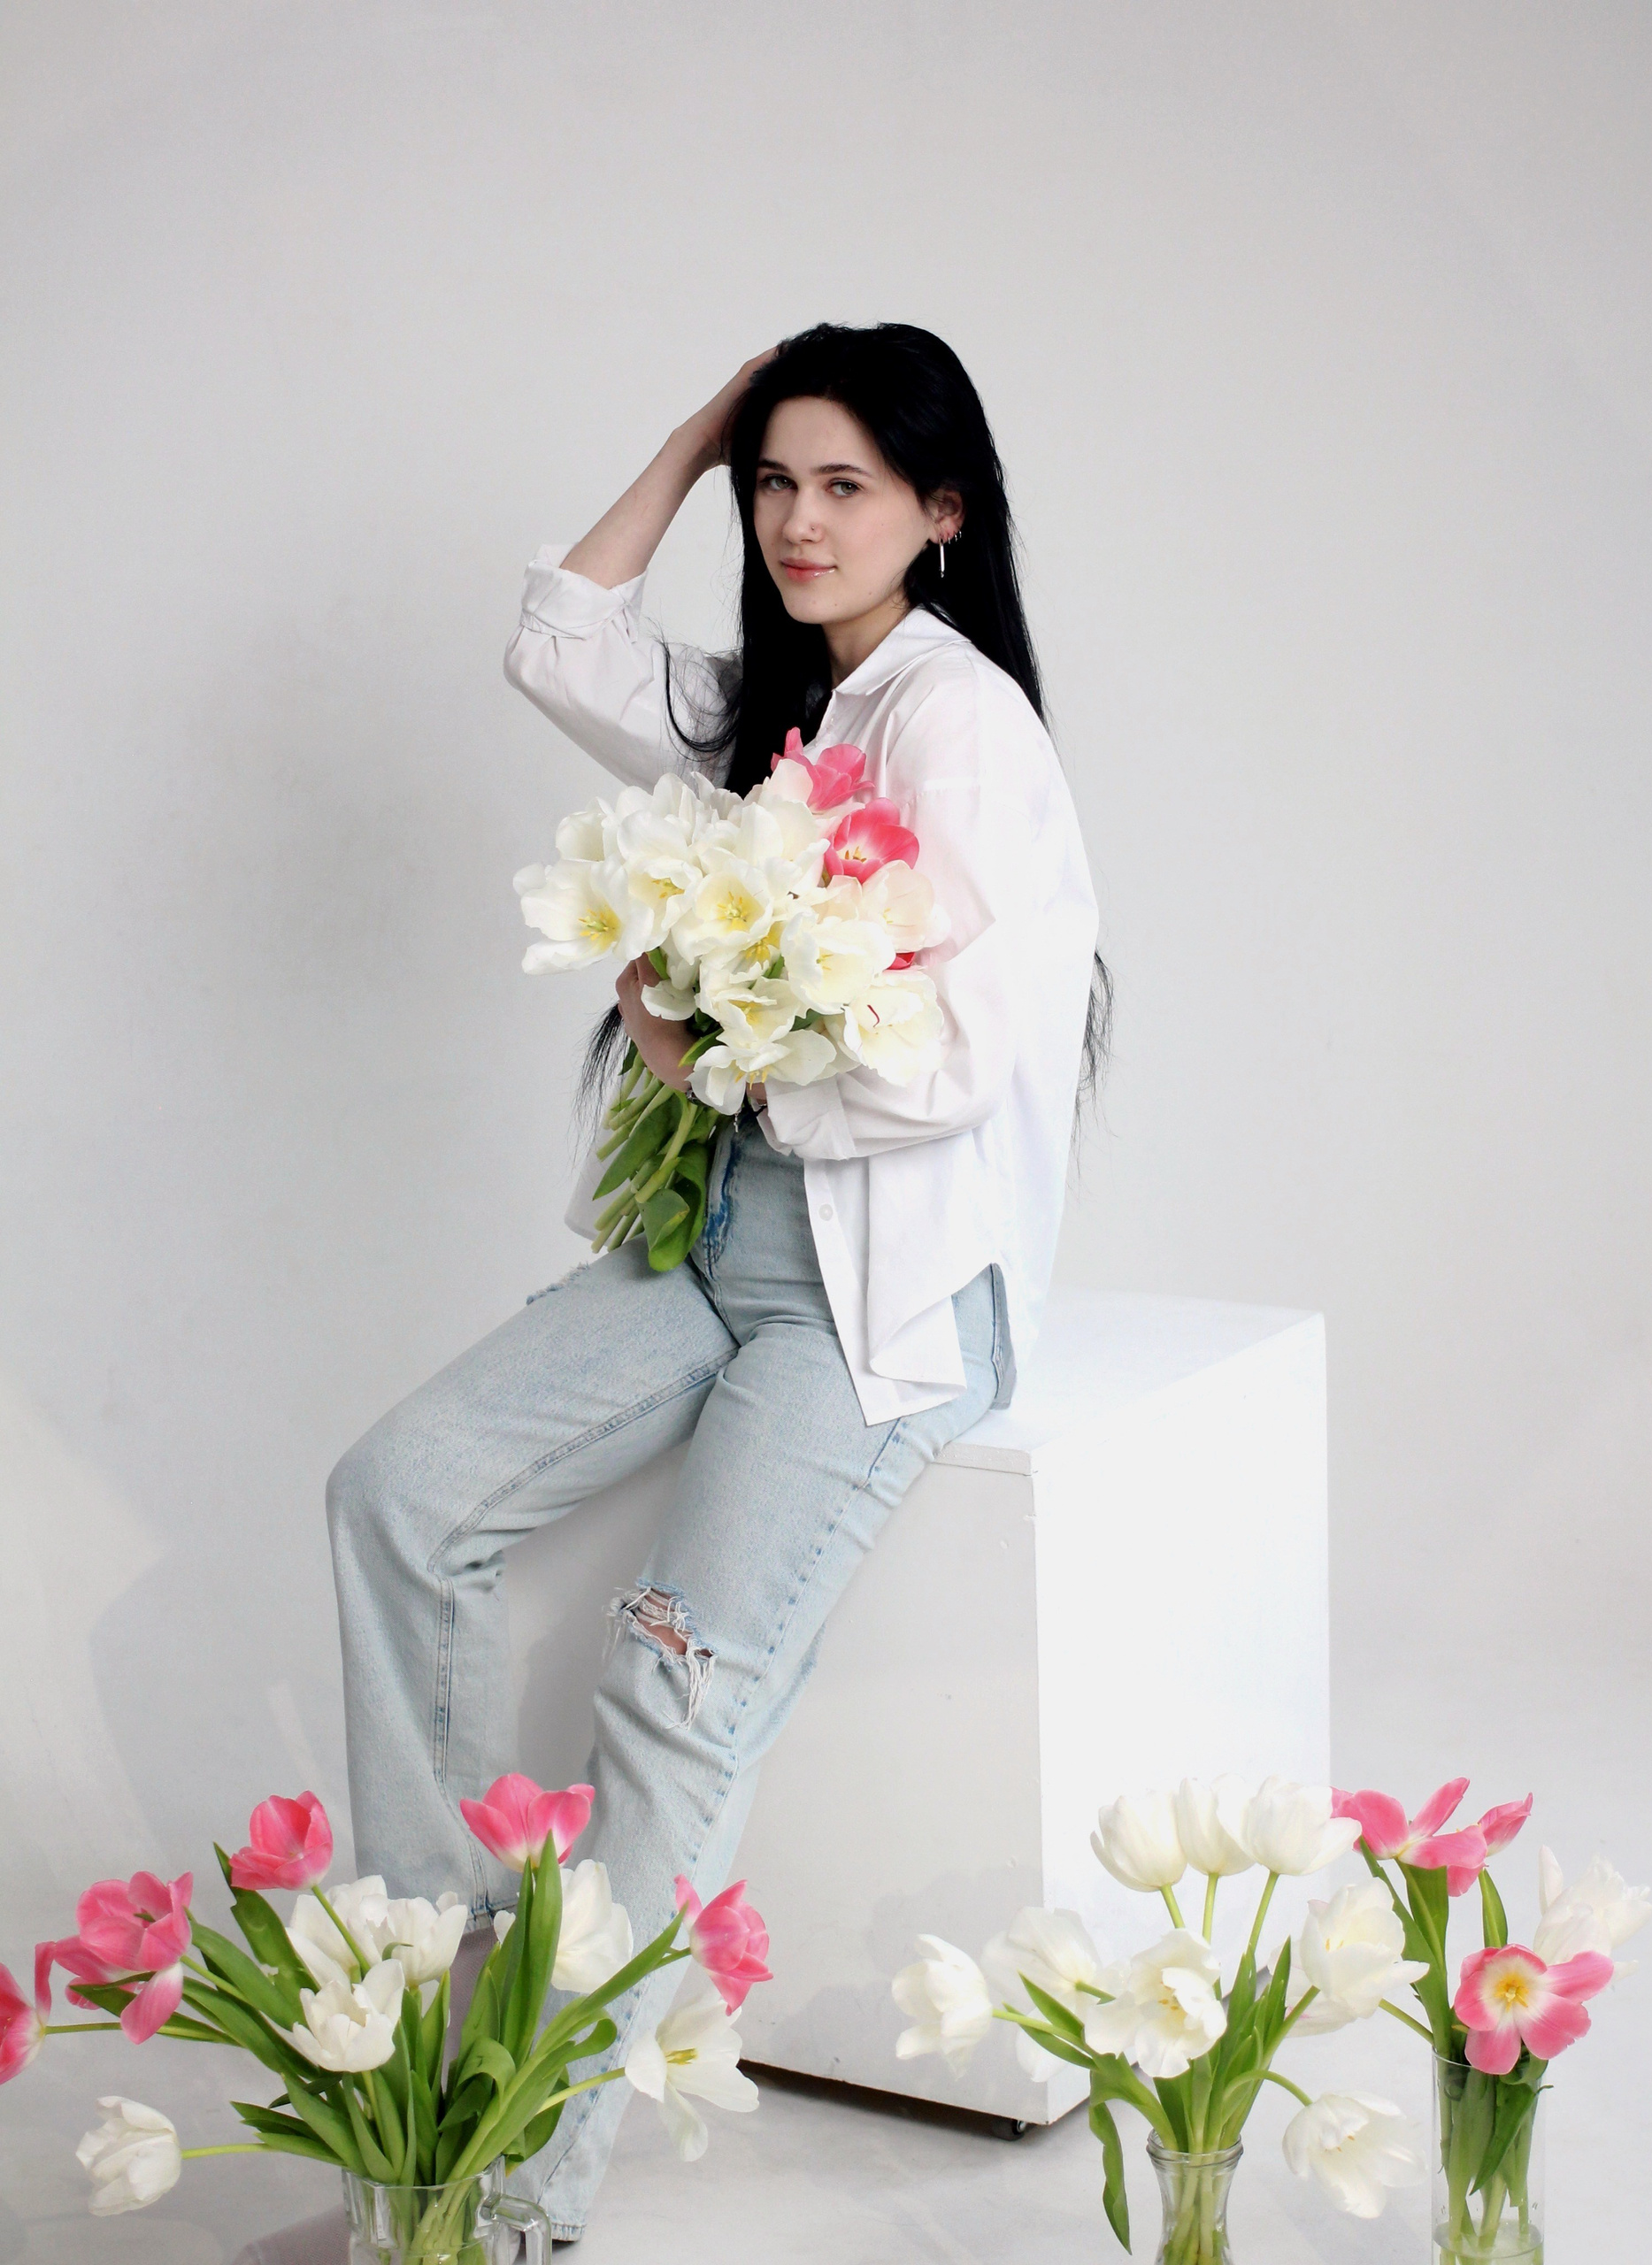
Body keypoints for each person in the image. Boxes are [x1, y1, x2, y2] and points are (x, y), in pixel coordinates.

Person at [325, 321, 1106, 2243]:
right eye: (776, 484)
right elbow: (561, 642)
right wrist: (700, 432)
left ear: (941, 510)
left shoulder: (957, 723)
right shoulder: (787, 705)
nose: (796, 521)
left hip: (879, 1297)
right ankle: (447, 2001)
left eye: (845, 484)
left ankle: (514, 2195)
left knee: (672, 1686)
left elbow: (956, 1058)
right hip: (717, 1247)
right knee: (399, 1493)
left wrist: (719, 1061)